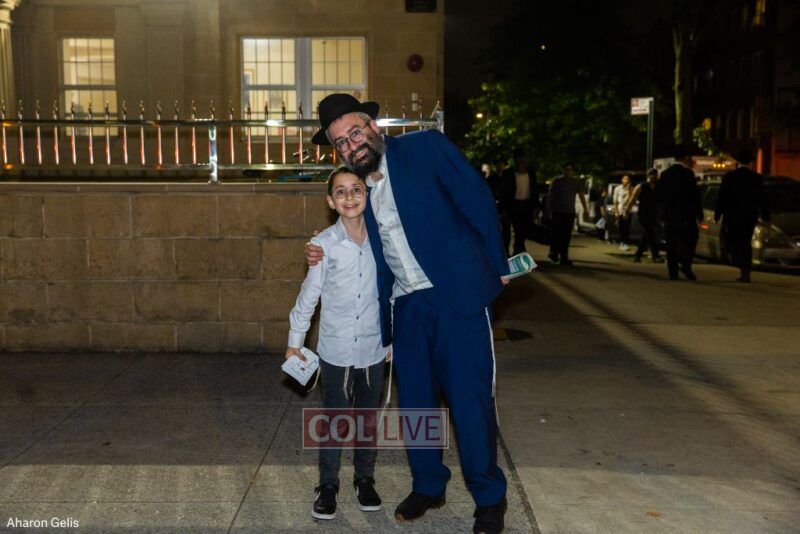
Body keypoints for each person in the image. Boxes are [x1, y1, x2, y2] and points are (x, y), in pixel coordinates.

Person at [305, 94, 510, 534]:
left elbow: (477, 198)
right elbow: (346, 231)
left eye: (355, 132)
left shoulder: (424, 148)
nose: (351, 145)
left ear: (373, 126)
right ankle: (429, 484)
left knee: (469, 401)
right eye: (341, 143)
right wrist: (318, 247)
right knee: (416, 402)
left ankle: (489, 497)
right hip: (405, 306)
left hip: (455, 296)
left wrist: (499, 264)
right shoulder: (359, 190)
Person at [286, 167, 391, 521]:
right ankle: (327, 485)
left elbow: (391, 293)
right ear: (331, 201)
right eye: (341, 192)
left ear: (367, 194)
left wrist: (392, 337)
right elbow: (309, 296)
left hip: (374, 348)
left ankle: (364, 479)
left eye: (356, 189)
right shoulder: (324, 245)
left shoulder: (382, 241)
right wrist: (295, 342)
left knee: (368, 420)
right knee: (335, 420)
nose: (349, 197)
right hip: (337, 350)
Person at [714, 148, 770, 282]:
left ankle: (739, 262)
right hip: (749, 216)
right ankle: (745, 270)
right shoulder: (756, 178)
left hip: (732, 215)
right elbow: (762, 198)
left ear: (737, 161)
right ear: (750, 162)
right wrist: (765, 215)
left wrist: (718, 213)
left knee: (732, 240)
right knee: (745, 241)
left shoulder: (730, 177)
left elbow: (722, 197)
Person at [656, 145, 703, 280]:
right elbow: (694, 195)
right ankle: (686, 264)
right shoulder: (688, 174)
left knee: (671, 243)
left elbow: (659, 195)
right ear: (685, 158)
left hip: (670, 214)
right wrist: (699, 213)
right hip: (686, 214)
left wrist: (662, 212)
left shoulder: (665, 174)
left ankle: (673, 271)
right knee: (690, 240)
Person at [545, 162, 589, 266]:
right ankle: (554, 252)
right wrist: (547, 210)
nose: (568, 171)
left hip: (569, 212)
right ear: (563, 170)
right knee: (556, 233)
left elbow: (581, 196)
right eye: (566, 169)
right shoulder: (557, 181)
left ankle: (564, 256)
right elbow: (550, 196)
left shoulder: (576, 182)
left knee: (566, 235)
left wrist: (585, 209)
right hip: (557, 211)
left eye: (570, 169)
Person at [499, 148, 538, 255]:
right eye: (519, 159)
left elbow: (534, 189)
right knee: (515, 228)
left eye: (523, 159)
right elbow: (503, 191)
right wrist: (503, 208)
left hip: (526, 204)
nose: (521, 161)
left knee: (523, 229)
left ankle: (519, 247)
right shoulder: (509, 173)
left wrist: (535, 206)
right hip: (513, 204)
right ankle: (514, 249)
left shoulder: (531, 173)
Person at [627, 169, 663, 263]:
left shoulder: (657, 187)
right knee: (650, 233)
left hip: (653, 213)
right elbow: (633, 198)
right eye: (654, 175)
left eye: (656, 175)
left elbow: (659, 202)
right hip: (643, 213)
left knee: (647, 234)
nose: (656, 177)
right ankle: (655, 256)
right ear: (649, 175)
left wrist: (660, 213)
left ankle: (638, 256)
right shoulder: (641, 186)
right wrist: (627, 209)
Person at [613, 175, 633, 250]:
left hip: (628, 210)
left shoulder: (631, 189)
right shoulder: (617, 189)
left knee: (627, 227)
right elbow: (615, 201)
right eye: (625, 179)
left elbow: (632, 199)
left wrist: (629, 190)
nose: (626, 180)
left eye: (628, 179)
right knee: (621, 227)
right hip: (620, 210)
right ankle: (621, 243)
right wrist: (616, 212)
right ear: (622, 180)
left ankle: (626, 243)